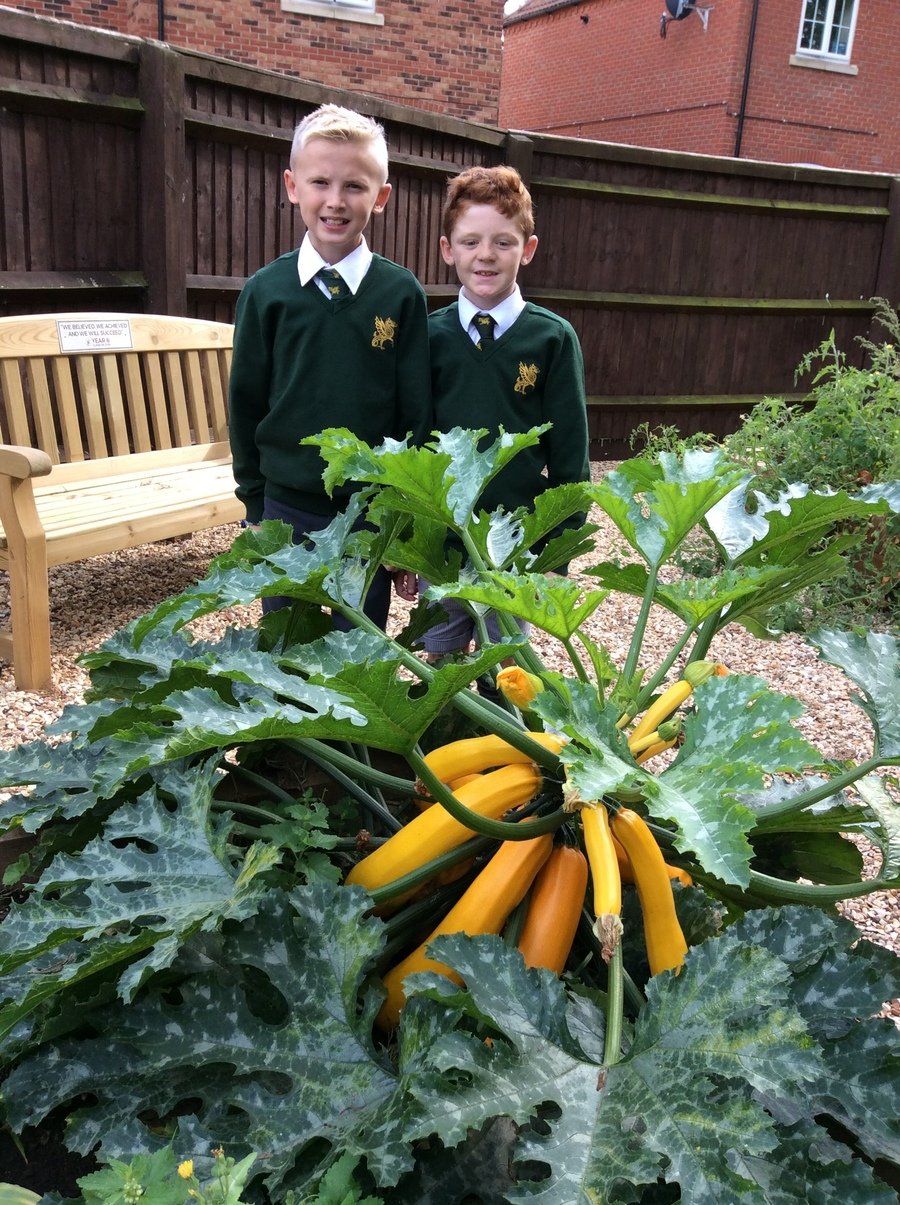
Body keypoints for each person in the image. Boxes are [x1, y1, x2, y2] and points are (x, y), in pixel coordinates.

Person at [228, 103, 429, 629]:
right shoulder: (265, 292)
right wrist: (254, 505)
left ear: (381, 197)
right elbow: (246, 403)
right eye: (321, 182)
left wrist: (401, 525)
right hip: (285, 505)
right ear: (294, 186)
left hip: (368, 511)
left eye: (355, 186)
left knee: (359, 646)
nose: (335, 201)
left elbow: (416, 416)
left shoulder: (400, 293)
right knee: (286, 643)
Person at [421, 164, 590, 667]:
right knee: (441, 654)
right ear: (448, 249)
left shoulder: (552, 339)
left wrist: (561, 547)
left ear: (528, 249)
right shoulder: (427, 338)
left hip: (516, 538)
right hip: (444, 537)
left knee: (509, 665)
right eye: (470, 242)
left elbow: (570, 450)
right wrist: (406, 539)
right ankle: (444, 737)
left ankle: (504, 738)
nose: (486, 256)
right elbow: (408, 442)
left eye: (503, 242)